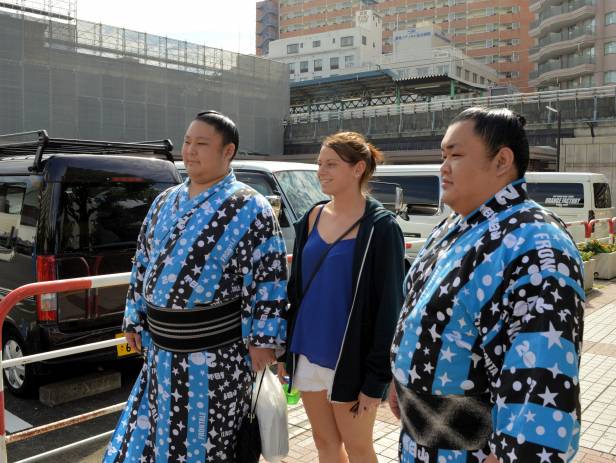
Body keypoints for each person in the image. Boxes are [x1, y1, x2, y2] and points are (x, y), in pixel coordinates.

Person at [389, 107, 584, 463]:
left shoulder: (537, 245)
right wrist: (401, 383)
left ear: (502, 160)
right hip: (421, 442)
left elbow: (540, 375)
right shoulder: (453, 227)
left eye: (456, 155)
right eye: (443, 155)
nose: (443, 167)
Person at [103, 110, 287, 463]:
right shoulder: (164, 201)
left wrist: (263, 341)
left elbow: (269, 277)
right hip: (160, 353)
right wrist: (134, 319)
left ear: (227, 151)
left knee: (208, 441)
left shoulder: (251, 206)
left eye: (201, 143)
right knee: (158, 437)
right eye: (187, 141)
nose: (190, 150)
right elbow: (142, 263)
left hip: (215, 356)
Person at [278, 131, 406, 463]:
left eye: (331, 164)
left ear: (358, 168)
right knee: (325, 443)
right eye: (319, 163)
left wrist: (376, 379)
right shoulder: (312, 217)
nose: (321, 171)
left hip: (351, 359)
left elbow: (390, 308)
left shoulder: (381, 228)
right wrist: (283, 350)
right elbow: (296, 290)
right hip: (307, 351)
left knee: (359, 447)